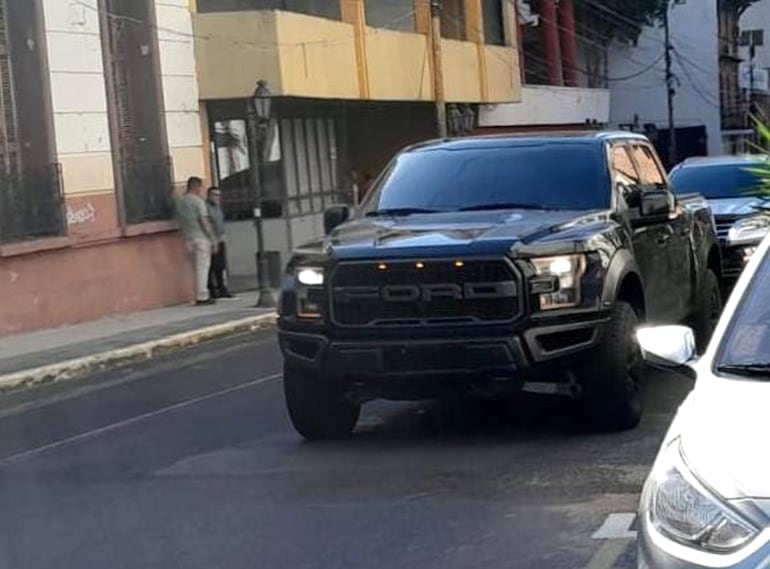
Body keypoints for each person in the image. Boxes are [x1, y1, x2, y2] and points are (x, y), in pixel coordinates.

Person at [175, 176, 217, 305]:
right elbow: (204, 221)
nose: (201, 190)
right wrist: (213, 238)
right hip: (200, 237)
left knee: (193, 268)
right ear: (197, 186)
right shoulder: (198, 202)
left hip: (187, 238)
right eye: (201, 187)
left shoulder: (180, 201)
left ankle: (196, 293)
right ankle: (202, 296)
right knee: (202, 268)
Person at [206, 186, 233, 299]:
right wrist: (213, 239)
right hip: (212, 239)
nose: (217, 197)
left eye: (219, 195)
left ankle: (222, 288)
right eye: (215, 195)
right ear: (209, 195)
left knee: (221, 265)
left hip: (221, 238)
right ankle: (212, 289)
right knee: (212, 265)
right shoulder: (206, 207)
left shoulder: (218, 208)